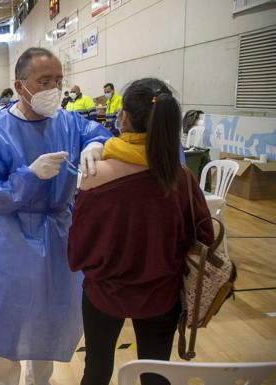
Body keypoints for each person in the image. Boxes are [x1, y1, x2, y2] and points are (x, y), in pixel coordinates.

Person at [0, 47, 112, 385]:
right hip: (11, 239)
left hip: (58, 232)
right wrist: (29, 176)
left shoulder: (67, 121)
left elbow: (95, 131)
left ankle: (41, 380)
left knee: (50, 316)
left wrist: (96, 144)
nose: (54, 89)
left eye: (59, 80)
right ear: (20, 87)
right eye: (44, 81)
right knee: (8, 322)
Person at [68, 78, 214, 385]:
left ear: (122, 118)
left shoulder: (95, 177)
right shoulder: (183, 178)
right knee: (156, 374)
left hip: (105, 293)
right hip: (162, 294)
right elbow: (204, 238)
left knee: (95, 371)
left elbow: (78, 250)